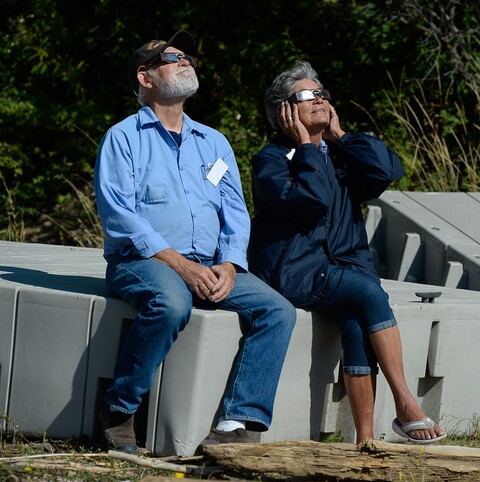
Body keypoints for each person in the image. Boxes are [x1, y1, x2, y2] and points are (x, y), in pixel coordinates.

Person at [93, 30, 296, 453]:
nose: (186, 60)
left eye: (188, 56)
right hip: (143, 262)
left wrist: (229, 264)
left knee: (278, 311)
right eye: (172, 57)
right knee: (171, 303)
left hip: (210, 264)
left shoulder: (214, 141)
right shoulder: (124, 138)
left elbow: (235, 211)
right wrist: (182, 267)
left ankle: (235, 425)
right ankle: (119, 410)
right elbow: (121, 216)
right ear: (146, 77)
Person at [248, 60, 446, 444]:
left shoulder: (338, 153)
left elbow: (386, 171)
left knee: (356, 321)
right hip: (298, 273)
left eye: (322, 92)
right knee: (369, 292)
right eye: (306, 95)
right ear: (284, 112)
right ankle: (406, 403)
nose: (319, 98)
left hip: (345, 267)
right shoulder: (270, 160)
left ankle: (365, 441)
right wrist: (307, 147)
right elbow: (312, 200)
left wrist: (340, 137)